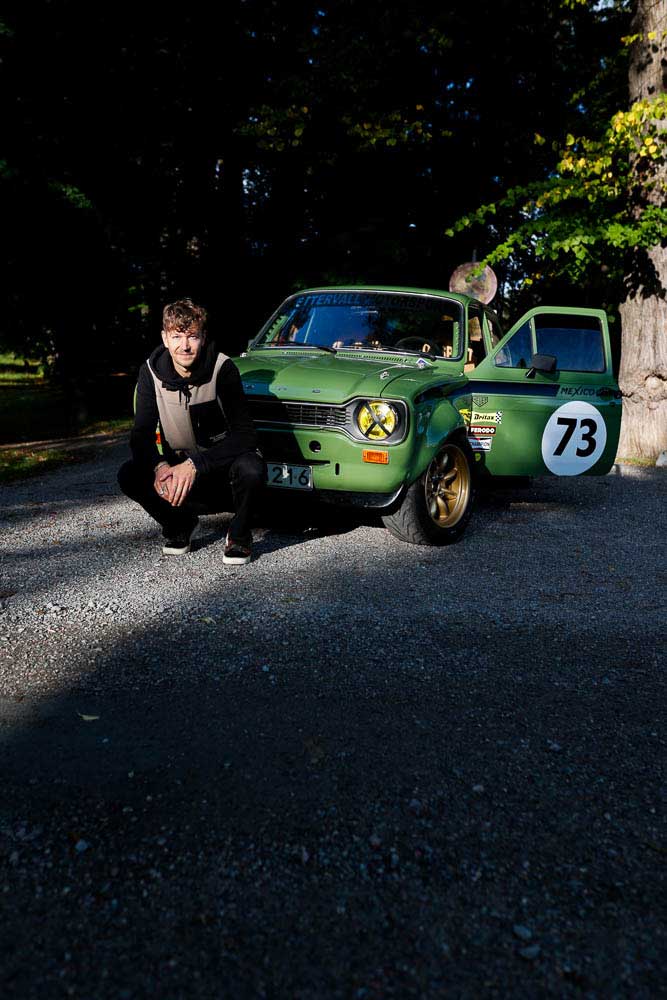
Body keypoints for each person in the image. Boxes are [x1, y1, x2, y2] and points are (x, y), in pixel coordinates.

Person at [118, 298, 266, 564]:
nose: (184, 345)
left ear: (203, 337)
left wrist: (195, 464)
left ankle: (239, 535)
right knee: (129, 473)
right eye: (177, 336)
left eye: (192, 336)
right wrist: (160, 467)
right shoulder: (150, 372)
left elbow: (246, 435)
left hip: (222, 472)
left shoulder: (223, 368)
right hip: (182, 476)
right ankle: (180, 524)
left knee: (252, 467)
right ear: (165, 338)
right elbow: (141, 436)